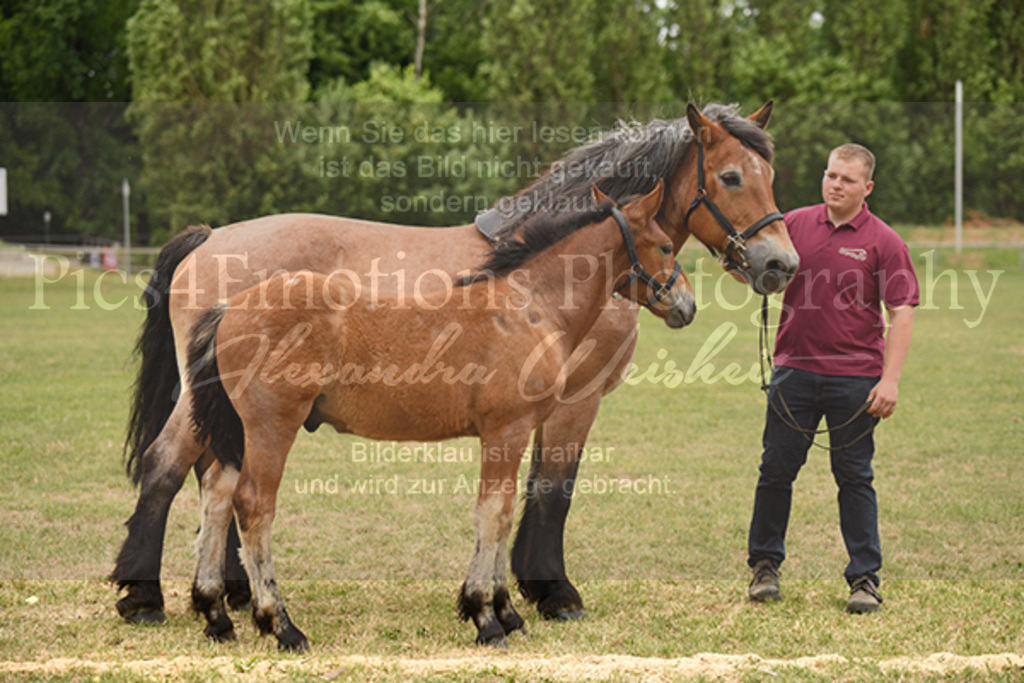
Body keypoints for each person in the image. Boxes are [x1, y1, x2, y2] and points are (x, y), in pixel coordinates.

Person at [746, 143, 919, 613]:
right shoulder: (794, 224)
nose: (835, 184)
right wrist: (746, 268)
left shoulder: (885, 241)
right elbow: (758, 267)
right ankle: (764, 568)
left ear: (867, 187)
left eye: (846, 179)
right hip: (794, 375)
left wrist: (890, 381)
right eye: (830, 175)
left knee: (855, 478)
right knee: (775, 473)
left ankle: (864, 578)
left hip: (856, 381)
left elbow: (901, 312)